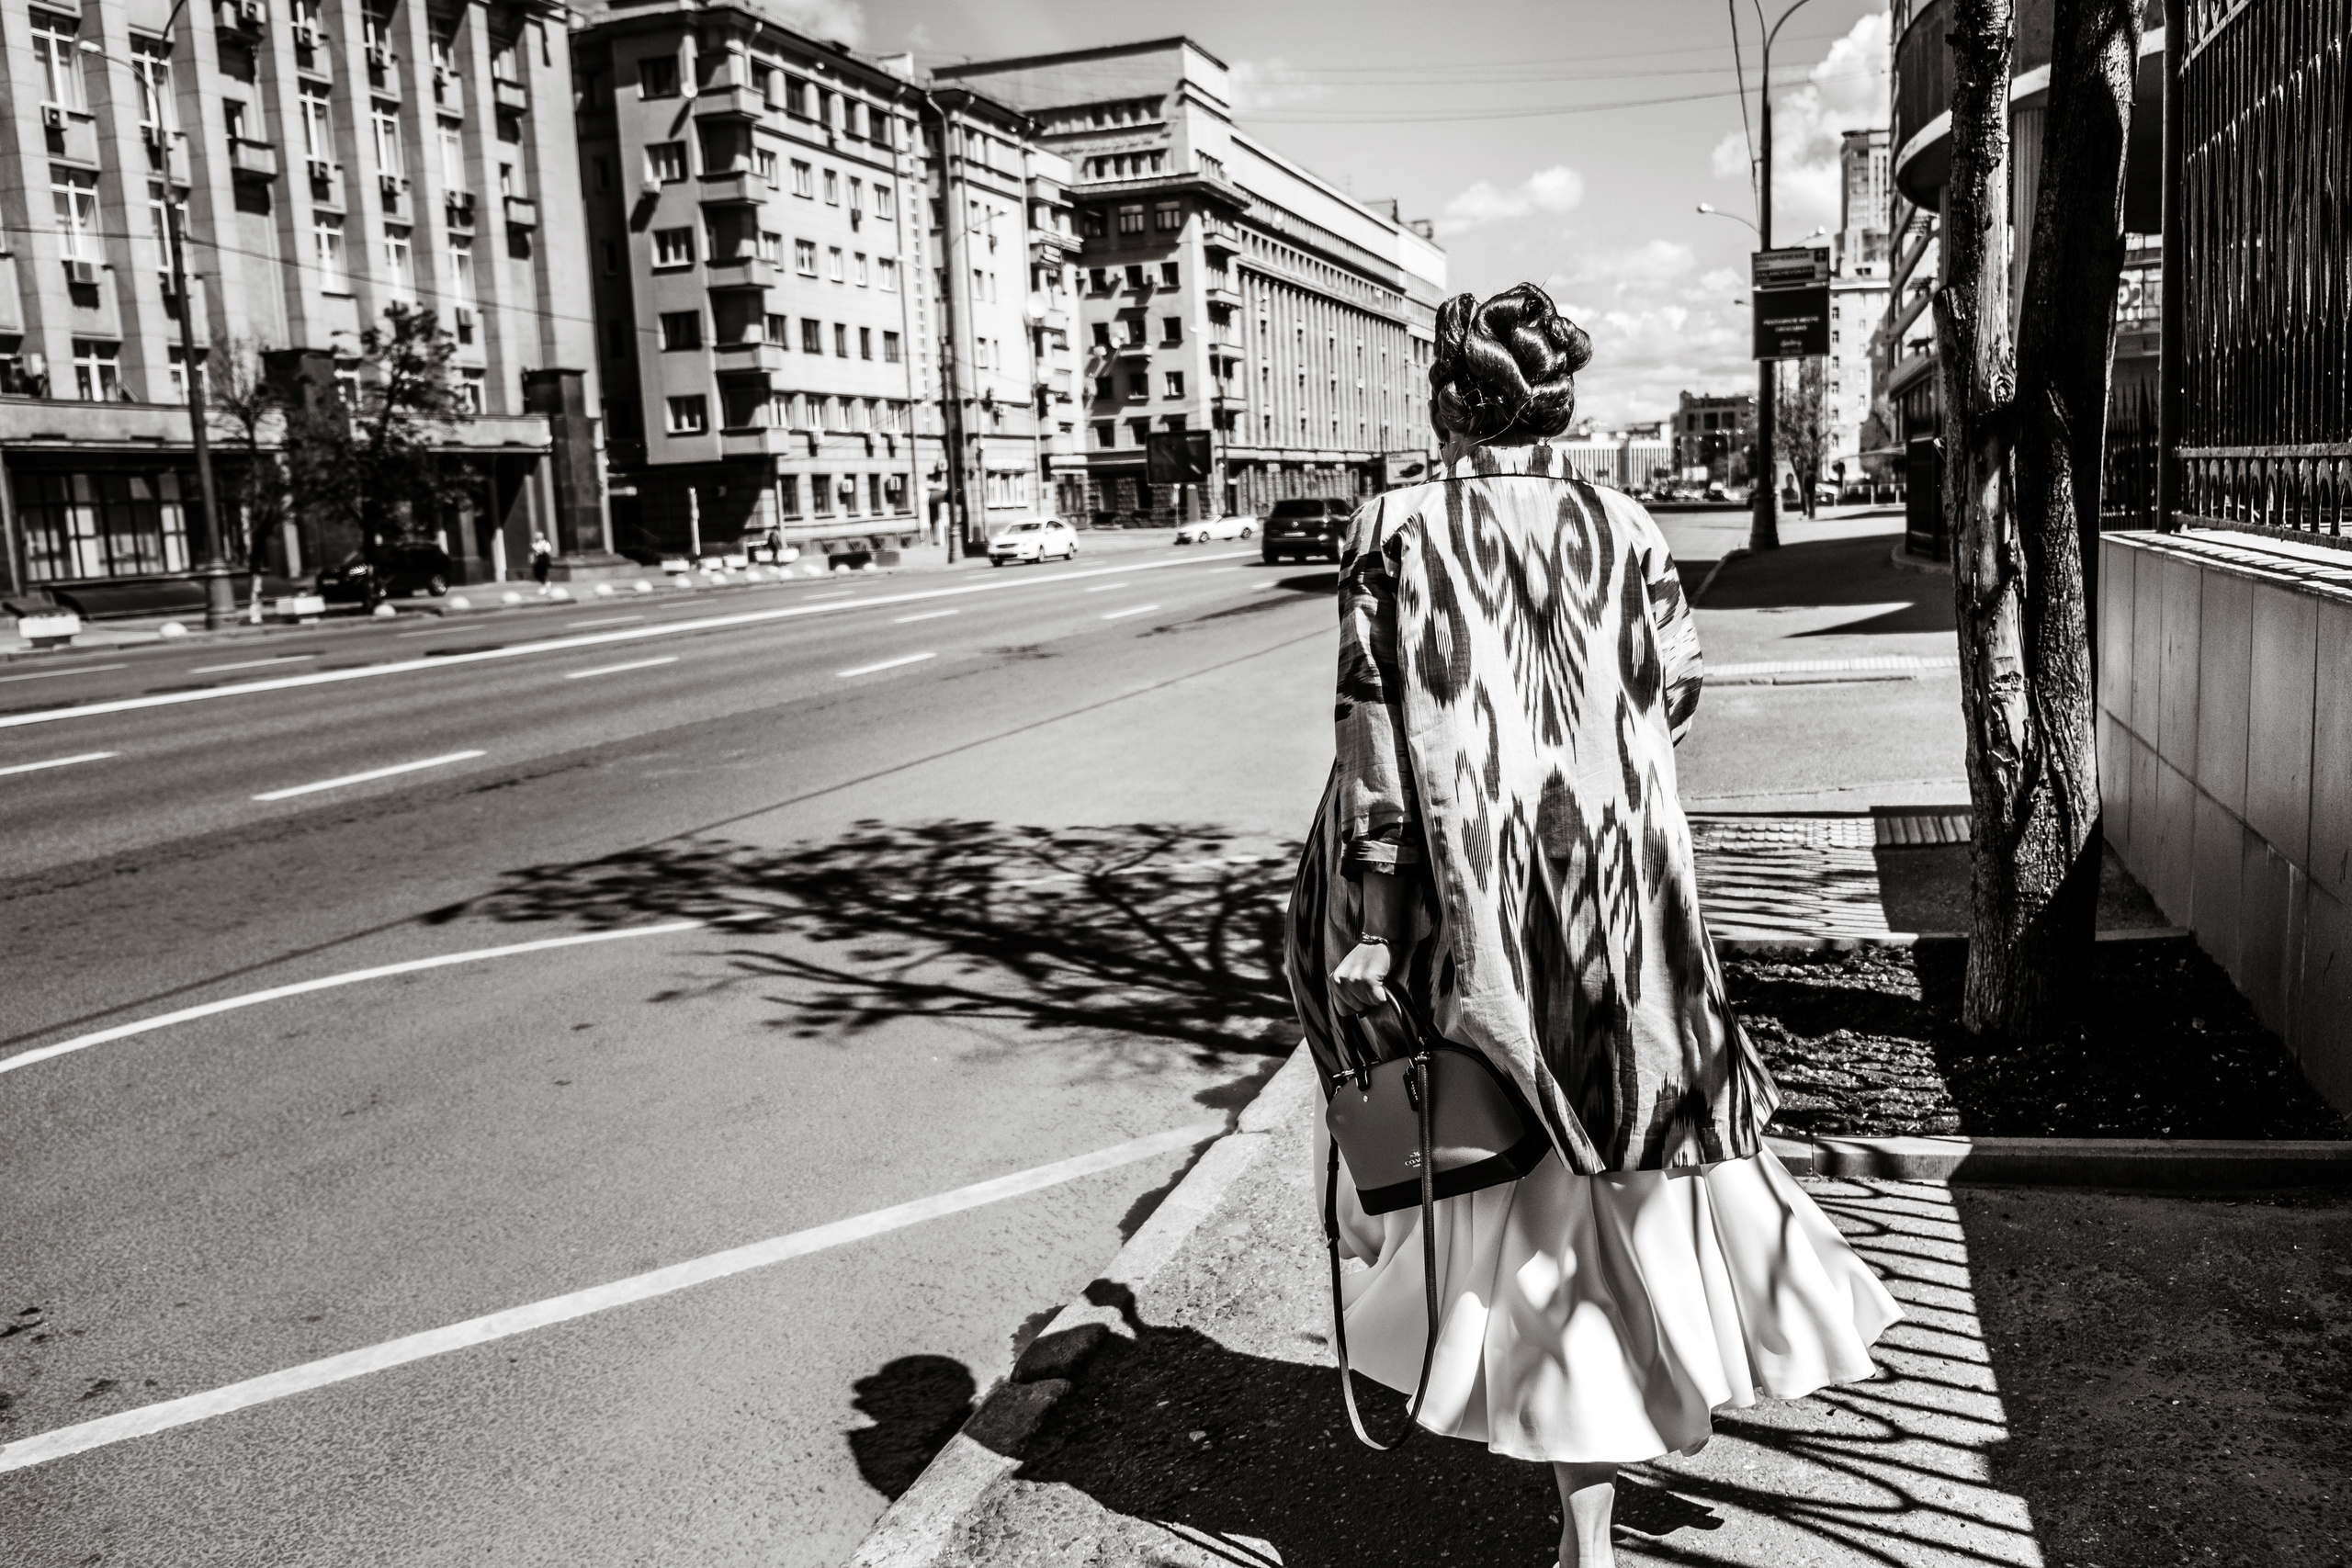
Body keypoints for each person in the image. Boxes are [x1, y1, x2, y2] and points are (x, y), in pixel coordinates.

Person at [1285, 283, 1901, 1568]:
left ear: (1450, 402)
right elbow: (1672, 693)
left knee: (1532, 1217)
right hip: (1626, 921)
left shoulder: (1394, 527)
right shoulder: (1623, 524)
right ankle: (1603, 1514)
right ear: (1556, 401)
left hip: (1488, 925)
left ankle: (1588, 1540)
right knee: (1625, 1209)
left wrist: (1375, 918)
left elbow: (1375, 748)